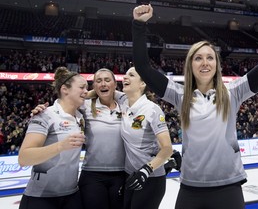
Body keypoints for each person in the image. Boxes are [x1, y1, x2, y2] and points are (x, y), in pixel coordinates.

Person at [131, 0, 258, 209]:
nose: (205, 63)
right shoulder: (178, 94)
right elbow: (143, 67)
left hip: (228, 188)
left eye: (210, 58)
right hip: (190, 190)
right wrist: (139, 25)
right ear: (190, 64)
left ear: (217, 64)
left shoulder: (234, 92)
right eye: (198, 58)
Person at [31, 68, 127, 209]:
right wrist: (41, 111)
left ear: (115, 84)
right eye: (98, 81)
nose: (103, 84)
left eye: (107, 80)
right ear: (93, 86)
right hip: (92, 174)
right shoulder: (84, 106)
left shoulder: (126, 105)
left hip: (121, 173)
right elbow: (66, 103)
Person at [18, 67, 88, 209]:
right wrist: (60, 146)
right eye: (82, 87)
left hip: (72, 196)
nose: (86, 91)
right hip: (40, 198)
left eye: (87, 88)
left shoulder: (81, 117)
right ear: (64, 89)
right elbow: (24, 158)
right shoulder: (45, 114)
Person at [119, 67, 173, 209]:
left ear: (142, 84)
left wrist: (146, 170)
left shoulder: (152, 109)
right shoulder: (123, 101)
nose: (125, 77)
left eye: (131, 75)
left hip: (150, 179)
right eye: (125, 74)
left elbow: (167, 149)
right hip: (130, 176)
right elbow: (103, 90)